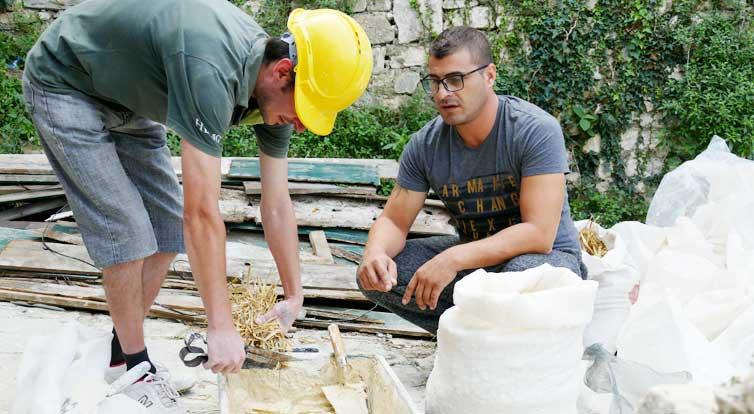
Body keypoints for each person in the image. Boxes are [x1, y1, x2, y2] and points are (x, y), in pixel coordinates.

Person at [22, 0, 372, 411]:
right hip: (66, 83)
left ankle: (120, 357)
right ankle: (135, 364)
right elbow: (202, 213)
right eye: (304, 109)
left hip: (128, 99)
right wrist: (219, 326)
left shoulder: (276, 97)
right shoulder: (211, 70)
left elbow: (276, 203)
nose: (302, 123)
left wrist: (294, 296)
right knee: (128, 229)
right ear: (282, 72)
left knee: (166, 228)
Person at [357, 26, 585, 335]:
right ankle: (473, 337)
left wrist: (453, 259)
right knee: (379, 278)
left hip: (546, 262)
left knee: (513, 283)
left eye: (455, 80)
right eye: (435, 82)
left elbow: (539, 233)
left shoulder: (534, 130)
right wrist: (374, 255)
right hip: (477, 260)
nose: (442, 93)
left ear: (489, 75)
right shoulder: (425, 145)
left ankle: (489, 336)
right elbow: (395, 222)